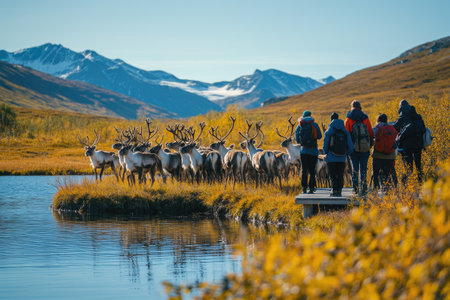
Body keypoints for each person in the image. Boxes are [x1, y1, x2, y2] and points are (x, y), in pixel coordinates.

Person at [344, 100, 373, 195]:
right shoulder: (365, 118)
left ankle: (355, 188)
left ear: (351, 107)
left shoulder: (348, 119)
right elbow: (370, 132)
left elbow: (346, 134)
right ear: (360, 107)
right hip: (365, 148)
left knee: (355, 168)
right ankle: (364, 188)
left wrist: (348, 147)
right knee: (363, 168)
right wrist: (370, 144)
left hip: (353, 149)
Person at [323, 112, 354, 196]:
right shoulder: (345, 131)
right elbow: (350, 145)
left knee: (332, 175)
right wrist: (347, 152)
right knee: (340, 175)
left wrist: (325, 152)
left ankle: (334, 190)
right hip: (342, 157)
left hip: (331, 157)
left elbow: (325, 144)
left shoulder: (329, 131)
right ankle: (339, 190)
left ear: (331, 120)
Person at [396, 105, 426, 183]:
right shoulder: (420, 121)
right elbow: (423, 130)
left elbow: (402, 135)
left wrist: (398, 139)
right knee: (418, 166)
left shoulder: (410, 123)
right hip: (418, 146)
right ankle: (420, 182)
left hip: (408, 147)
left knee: (409, 168)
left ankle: (404, 182)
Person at [295, 110, 322, 194]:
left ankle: (304, 188)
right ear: (310, 116)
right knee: (312, 170)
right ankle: (311, 188)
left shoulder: (300, 125)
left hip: (303, 151)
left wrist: (302, 143)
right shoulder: (314, 125)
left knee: (304, 170)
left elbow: (297, 138)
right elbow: (320, 136)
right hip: (313, 151)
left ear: (303, 116)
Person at [372, 114, 398, 191]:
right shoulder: (392, 128)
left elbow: (370, 137)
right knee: (386, 173)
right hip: (390, 155)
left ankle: (375, 188)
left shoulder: (376, 128)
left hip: (378, 155)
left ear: (378, 120)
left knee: (376, 172)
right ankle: (386, 188)